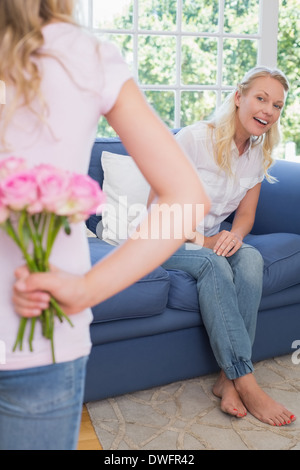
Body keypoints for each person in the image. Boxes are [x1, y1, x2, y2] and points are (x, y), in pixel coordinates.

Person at [0, 0, 209, 450]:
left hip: (37, 344)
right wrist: (86, 290)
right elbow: (186, 198)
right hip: (41, 341)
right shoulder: (84, 56)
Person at [146, 66, 296, 427]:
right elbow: (157, 209)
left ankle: (226, 381)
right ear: (238, 97)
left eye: (277, 105)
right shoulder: (195, 139)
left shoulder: (257, 153)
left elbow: (246, 214)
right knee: (212, 264)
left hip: (209, 238)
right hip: (160, 237)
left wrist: (236, 237)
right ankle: (244, 379)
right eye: (261, 98)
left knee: (250, 259)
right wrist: (208, 241)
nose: (268, 110)